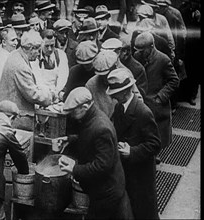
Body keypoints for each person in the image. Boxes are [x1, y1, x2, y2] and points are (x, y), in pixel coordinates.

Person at [58, 87, 134, 219]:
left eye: (73, 111)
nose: (71, 115)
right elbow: (89, 137)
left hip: (107, 192)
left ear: (85, 106)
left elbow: (102, 165)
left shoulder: (101, 128)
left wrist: (74, 169)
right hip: (107, 189)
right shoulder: (92, 118)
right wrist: (70, 140)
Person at [107, 68, 161, 219]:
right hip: (126, 169)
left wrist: (132, 151)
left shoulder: (143, 112)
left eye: (115, 93)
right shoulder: (119, 107)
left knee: (143, 210)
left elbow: (155, 144)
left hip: (140, 173)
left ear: (125, 92)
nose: (113, 97)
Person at [0, 29, 55, 131]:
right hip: (12, 118)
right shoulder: (20, 66)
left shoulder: (16, 54)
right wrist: (51, 96)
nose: (39, 54)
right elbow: (32, 94)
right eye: (38, 50)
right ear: (30, 49)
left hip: (7, 114)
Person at [134, 31, 179, 151]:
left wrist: (160, 97)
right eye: (137, 50)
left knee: (157, 134)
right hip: (141, 101)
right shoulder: (137, 57)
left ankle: (155, 154)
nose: (139, 52)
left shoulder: (163, 60)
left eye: (142, 50)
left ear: (151, 46)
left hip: (156, 104)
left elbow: (174, 80)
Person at [31, 29, 69, 99]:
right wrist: (49, 94)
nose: (50, 49)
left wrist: (56, 92)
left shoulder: (61, 55)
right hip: (42, 94)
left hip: (57, 93)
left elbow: (63, 77)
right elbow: (38, 80)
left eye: (52, 45)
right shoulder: (35, 57)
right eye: (46, 46)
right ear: (41, 44)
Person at [85, 50, 119, 118]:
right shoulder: (91, 85)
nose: (104, 78)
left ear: (114, 68)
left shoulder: (125, 77)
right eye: (101, 75)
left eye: (107, 74)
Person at [0, 26, 18, 92]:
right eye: (13, 40)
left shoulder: (14, 57)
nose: (16, 43)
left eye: (16, 39)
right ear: (4, 42)